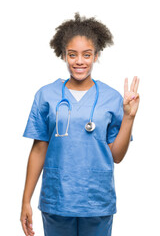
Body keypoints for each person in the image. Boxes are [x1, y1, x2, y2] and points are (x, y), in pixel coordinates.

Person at [20, 12, 140, 236]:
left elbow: (117, 156)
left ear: (96, 56)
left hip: (96, 200)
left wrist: (129, 118)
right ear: (63, 54)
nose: (79, 61)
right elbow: (38, 149)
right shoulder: (46, 95)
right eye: (72, 54)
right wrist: (26, 200)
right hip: (57, 200)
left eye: (87, 55)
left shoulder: (112, 98)